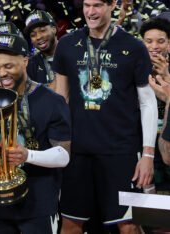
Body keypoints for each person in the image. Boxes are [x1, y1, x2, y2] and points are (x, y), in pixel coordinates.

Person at [52, 0, 158, 233]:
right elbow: (61, 99)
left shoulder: (134, 46)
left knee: (129, 226)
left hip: (121, 152)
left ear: (113, 5)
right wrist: (57, 147)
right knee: (70, 224)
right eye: (87, 5)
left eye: (98, 5)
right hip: (77, 153)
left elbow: (148, 102)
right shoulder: (67, 44)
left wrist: (148, 154)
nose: (90, 12)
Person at [0, 33, 71, 234]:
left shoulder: (52, 101)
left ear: (25, 60)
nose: (2, 73)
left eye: (8, 66)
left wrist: (28, 155)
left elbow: (64, 155)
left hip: (38, 203)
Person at [140, 17, 170, 191]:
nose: (154, 46)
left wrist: (166, 75)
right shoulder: (135, 69)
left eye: (160, 41)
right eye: (148, 41)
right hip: (144, 143)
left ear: (169, 43)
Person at [24, 10, 58, 87]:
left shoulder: (72, 51)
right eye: (33, 35)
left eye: (42, 30)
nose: (38, 37)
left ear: (54, 29)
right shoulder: (31, 65)